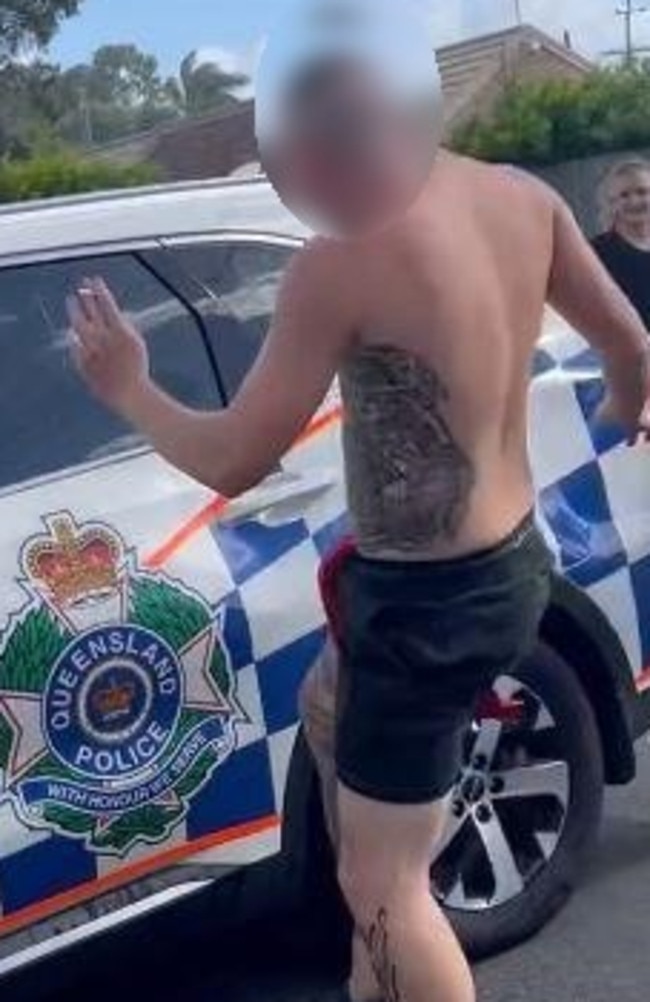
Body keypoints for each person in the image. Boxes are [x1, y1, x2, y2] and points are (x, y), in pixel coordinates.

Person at [68, 149, 650, 1002]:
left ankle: (385, 953)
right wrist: (624, 407)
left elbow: (233, 459)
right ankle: (370, 981)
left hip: (422, 606)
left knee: (388, 891)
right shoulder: (521, 198)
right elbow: (631, 344)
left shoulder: (339, 259)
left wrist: (129, 389)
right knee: (326, 707)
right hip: (512, 563)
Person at [592, 158, 650, 330]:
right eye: (624, 195)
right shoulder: (595, 254)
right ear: (612, 203)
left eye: (642, 192)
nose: (634, 201)